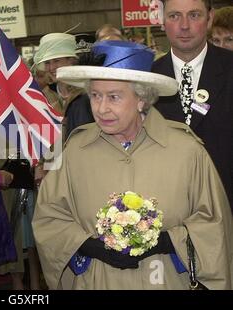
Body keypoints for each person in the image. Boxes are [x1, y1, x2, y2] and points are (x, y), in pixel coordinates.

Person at [32, 40, 233, 289]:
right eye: (95, 96)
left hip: (167, 281)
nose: (101, 108)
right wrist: (88, 246)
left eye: (114, 97)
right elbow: (48, 218)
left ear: (141, 99)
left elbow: (215, 225)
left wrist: (168, 241)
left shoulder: (187, 152)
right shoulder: (74, 152)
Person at [152, 0, 233, 210]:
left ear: (210, 17)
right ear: (163, 20)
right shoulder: (146, 79)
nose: (184, 25)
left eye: (194, 15)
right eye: (174, 16)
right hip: (167, 212)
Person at [33, 32, 94, 140]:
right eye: (47, 62)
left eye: (57, 61)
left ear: (71, 61)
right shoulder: (43, 96)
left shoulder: (88, 94)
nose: (51, 67)